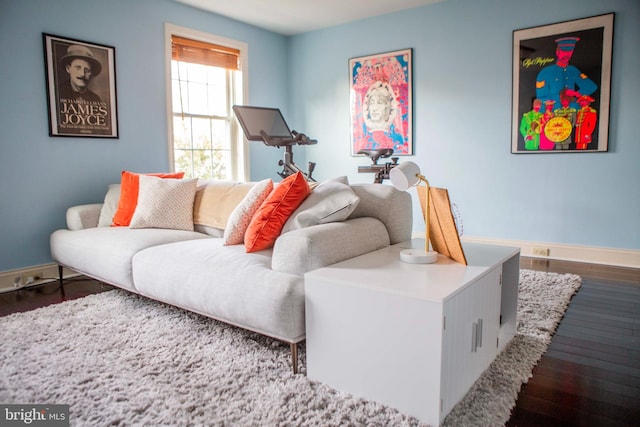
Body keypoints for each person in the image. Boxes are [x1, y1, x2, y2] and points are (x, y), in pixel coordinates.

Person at [536, 37, 597, 111]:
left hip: (573, 111)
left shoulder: (572, 70)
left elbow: (591, 86)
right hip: (553, 113)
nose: (567, 54)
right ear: (557, 51)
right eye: (564, 50)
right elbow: (541, 96)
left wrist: (575, 94)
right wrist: (560, 97)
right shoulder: (545, 72)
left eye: (570, 51)